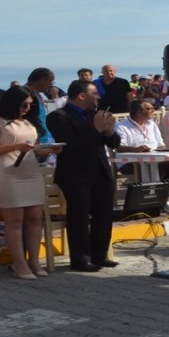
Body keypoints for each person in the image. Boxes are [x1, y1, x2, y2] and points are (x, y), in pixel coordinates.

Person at [47, 80, 120, 272]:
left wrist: (110, 131)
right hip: (75, 174)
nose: (98, 97)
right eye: (94, 93)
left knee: (103, 215)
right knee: (79, 216)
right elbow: (71, 145)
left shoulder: (95, 115)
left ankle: (99, 255)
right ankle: (80, 259)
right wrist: (95, 130)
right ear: (81, 95)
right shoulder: (59, 116)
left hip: (100, 172)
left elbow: (113, 142)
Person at [0, 88, 56, 280]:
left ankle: (34, 260)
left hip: (30, 170)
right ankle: (19, 263)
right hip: (8, 172)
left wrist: (47, 150)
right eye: (24, 104)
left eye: (30, 105)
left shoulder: (28, 121)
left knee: (35, 217)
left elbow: (33, 149)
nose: (26, 108)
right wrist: (15, 146)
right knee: (14, 221)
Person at [24, 67, 57, 144]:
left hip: (45, 139)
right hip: (32, 141)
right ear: (42, 80)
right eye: (51, 81)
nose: (51, 85)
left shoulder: (40, 95)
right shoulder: (23, 94)